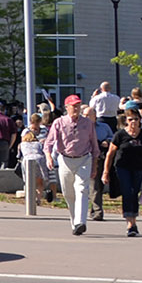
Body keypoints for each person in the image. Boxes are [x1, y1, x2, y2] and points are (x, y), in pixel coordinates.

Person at [44, 94, 99, 235]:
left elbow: (94, 146)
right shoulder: (59, 122)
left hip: (84, 159)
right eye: (73, 106)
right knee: (69, 193)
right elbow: (48, 143)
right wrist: (49, 157)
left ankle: (81, 222)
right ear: (67, 107)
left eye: (78, 105)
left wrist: (94, 166)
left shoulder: (88, 123)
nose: (76, 108)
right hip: (65, 159)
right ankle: (75, 222)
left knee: (82, 190)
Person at [101, 107, 142, 237]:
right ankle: (130, 224)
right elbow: (110, 154)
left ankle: (134, 221)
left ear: (140, 120)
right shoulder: (120, 135)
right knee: (127, 192)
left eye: (136, 119)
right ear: (126, 120)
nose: (133, 122)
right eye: (130, 119)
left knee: (134, 192)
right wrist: (106, 172)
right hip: (123, 167)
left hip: (139, 168)